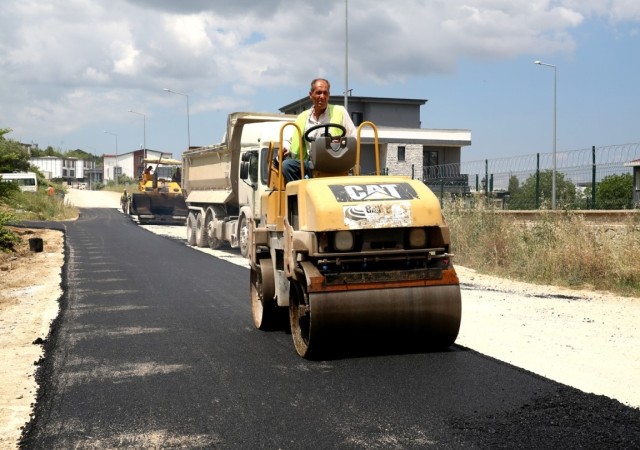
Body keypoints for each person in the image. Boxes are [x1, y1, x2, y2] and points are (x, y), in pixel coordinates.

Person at [281, 78, 356, 183]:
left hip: (336, 161)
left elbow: (354, 137)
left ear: (329, 95)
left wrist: (340, 142)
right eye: (318, 93)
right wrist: (285, 147)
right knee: (287, 165)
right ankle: (301, 195)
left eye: (325, 93)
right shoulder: (302, 117)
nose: (322, 97)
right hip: (311, 164)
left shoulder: (340, 111)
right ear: (311, 95)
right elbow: (289, 139)